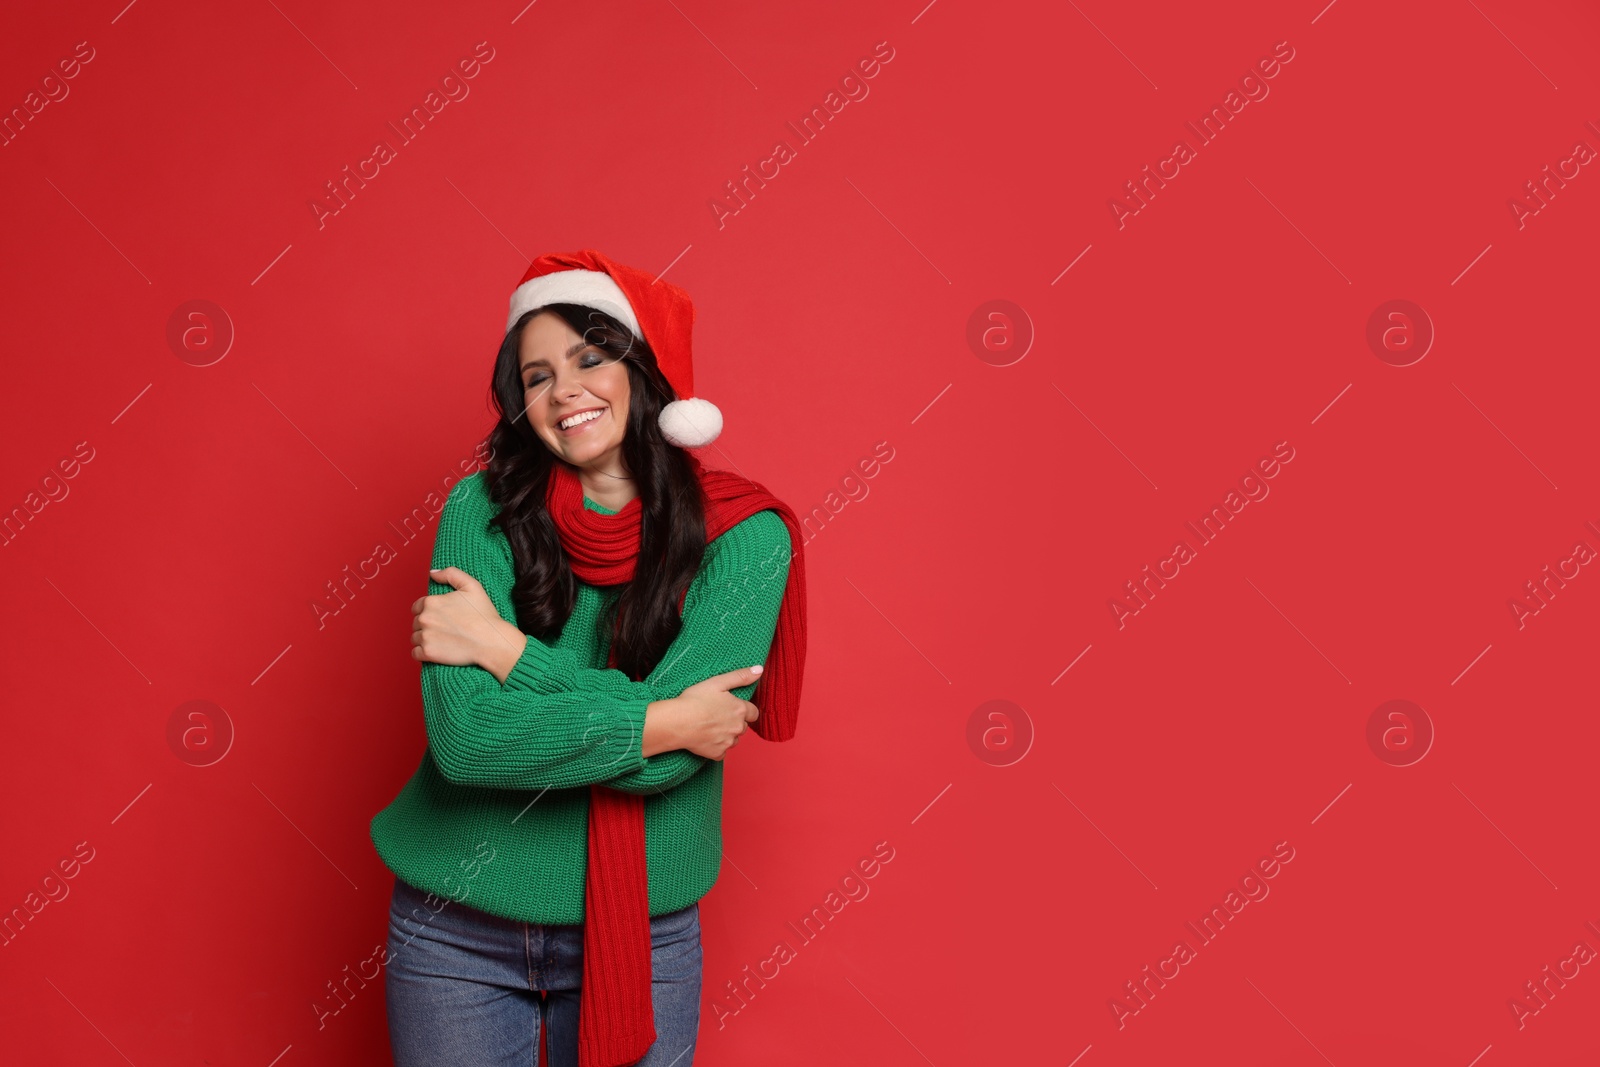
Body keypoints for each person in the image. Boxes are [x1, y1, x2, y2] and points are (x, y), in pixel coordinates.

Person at [368, 249, 808, 1066]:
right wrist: (667, 718)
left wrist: (507, 653)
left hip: (642, 931)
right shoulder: (483, 510)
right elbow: (465, 744)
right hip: (455, 926)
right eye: (535, 376)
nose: (563, 389)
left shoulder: (748, 539)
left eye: (590, 358)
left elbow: (660, 771)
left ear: (643, 372)